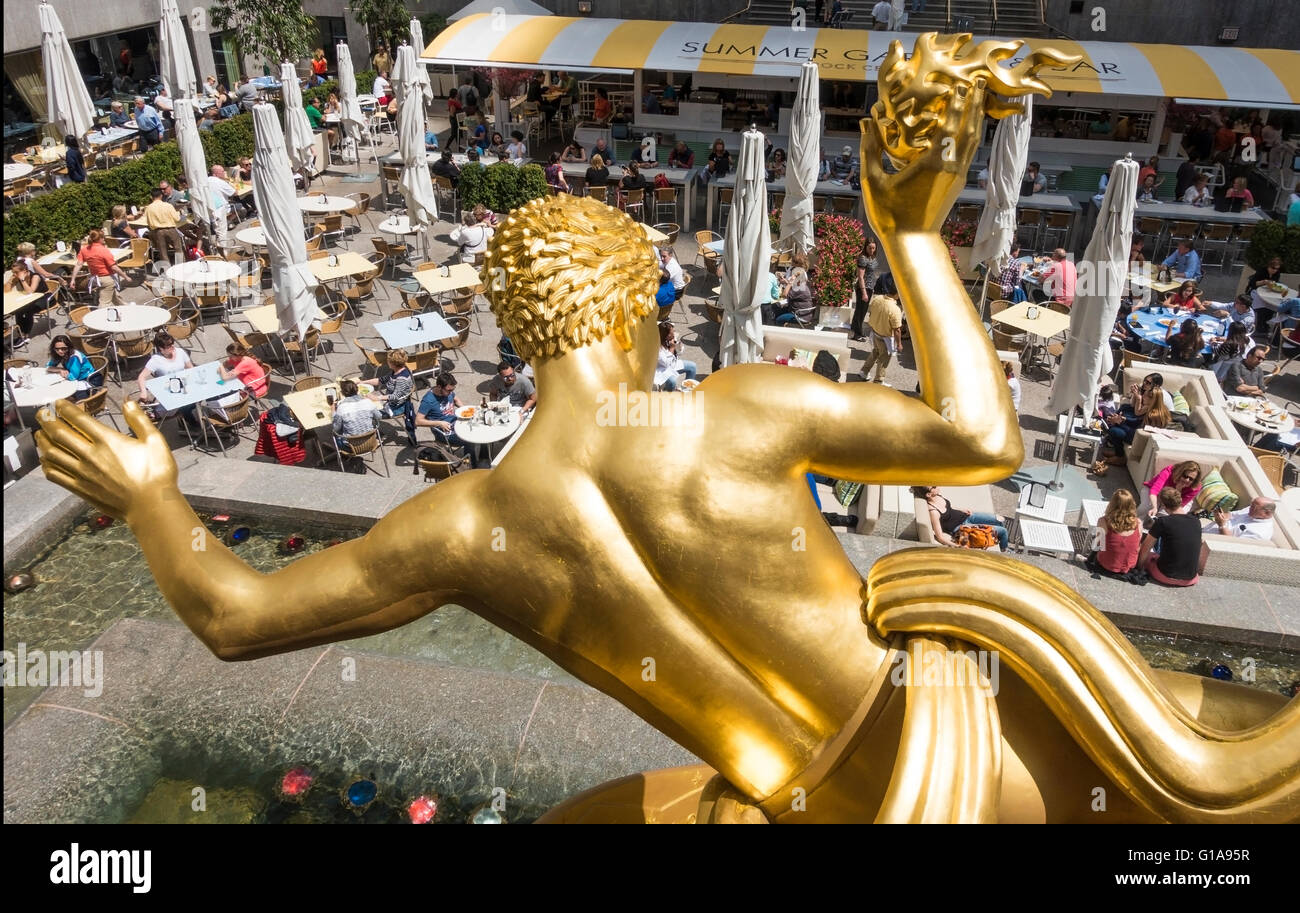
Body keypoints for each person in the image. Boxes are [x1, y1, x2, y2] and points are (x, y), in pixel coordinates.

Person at [1138, 488, 1208, 587]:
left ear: (1163, 505)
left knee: (1148, 554)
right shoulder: (1196, 521)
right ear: (1180, 501)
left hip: (1165, 576)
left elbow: (1146, 547)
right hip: (1191, 578)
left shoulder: (1162, 522)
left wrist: (1139, 567)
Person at [913, 486, 1009, 551]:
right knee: (1003, 531)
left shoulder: (937, 496)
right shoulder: (933, 512)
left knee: (1000, 519)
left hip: (968, 516)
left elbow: (949, 508)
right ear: (928, 495)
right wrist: (957, 546)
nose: (937, 485)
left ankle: (999, 541)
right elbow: (940, 536)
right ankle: (1004, 550)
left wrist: (962, 510)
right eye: (933, 487)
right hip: (963, 527)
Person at [136, 331, 198, 426]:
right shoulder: (156, 360)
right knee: (185, 404)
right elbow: (141, 377)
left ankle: (186, 417)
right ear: (161, 348)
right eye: (169, 346)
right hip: (168, 391)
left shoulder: (180, 352)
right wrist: (143, 392)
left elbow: (190, 368)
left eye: (172, 344)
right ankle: (191, 422)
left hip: (183, 386)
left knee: (199, 397)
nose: (173, 347)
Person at [1086, 490, 1142, 577]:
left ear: (1112, 504)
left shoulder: (1103, 521)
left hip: (1106, 566)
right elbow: (1137, 547)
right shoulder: (1138, 523)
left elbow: (1097, 545)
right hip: (1129, 568)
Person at [70, 229, 128, 306]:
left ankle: (125, 308)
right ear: (100, 239)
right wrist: (125, 276)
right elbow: (114, 267)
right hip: (107, 279)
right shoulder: (104, 251)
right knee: (104, 303)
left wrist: (73, 279)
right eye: (103, 237)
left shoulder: (84, 250)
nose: (104, 239)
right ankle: (100, 316)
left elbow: (78, 265)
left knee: (115, 297)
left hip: (95, 278)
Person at [858, 291, 903, 384]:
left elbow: (870, 312)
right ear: (897, 294)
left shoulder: (877, 299)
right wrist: (899, 344)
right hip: (885, 338)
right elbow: (897, 329)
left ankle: (864, 371)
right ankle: (878, 380)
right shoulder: (895, 309)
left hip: (874, 332)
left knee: (875, 352)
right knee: (884, 358)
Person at [332, 378, 382, 448]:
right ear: (357, 390)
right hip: (371, 442)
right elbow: (379, 417)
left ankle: (343, 455)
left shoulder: (341, 408)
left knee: (335, 434)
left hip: (351, 447)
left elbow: (336, 428)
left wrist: (333, 411)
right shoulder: (367, 402)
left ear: (342, 393)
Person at [45, 334, 99, 400]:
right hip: (78, 379)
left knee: (62, 392)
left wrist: (59, 371)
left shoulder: (74, 357)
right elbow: (48, 367)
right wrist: (60, 370)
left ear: (69, 347)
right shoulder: (60, 354)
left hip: (89, 380)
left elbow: (72, 377)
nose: (60, 351)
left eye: (63, 348)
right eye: (57, 349)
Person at [4, 260, 49, 337]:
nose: (14, 274)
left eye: (16, 272)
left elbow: (30, 292)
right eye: (13, 272)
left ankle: (26, 334)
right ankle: (21, 333)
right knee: (18, 309)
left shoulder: (35, 276)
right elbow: (6, 291)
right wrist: (11, 280)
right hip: (32, 299)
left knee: (28, 311)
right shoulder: (17, 276)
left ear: (24, 271)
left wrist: (22, 279)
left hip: (45, 297)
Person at [1203, 497, 1276, 541]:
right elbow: (1231, 515)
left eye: (1254, 507)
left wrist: (1222, 525)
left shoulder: (1259, 533)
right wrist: (1220, 515)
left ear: (1267, 513)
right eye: (1251, 504)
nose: (1250, 508)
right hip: (1204, 530)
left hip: (1210, 541)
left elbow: (1231, 544)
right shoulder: (1250, 510)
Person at [850, 237, 881, 341]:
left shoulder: (872, 257)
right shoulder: (863, 258)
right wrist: (864, 293)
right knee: (860, 310)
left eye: (874, 248)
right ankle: (857, 334)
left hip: (870, 287)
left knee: (862, 311)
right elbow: (860, 276)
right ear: (866, 247)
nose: (872, 250)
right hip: (863, 287)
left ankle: (858, 331)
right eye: (870, 248)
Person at [208, 164, 238, 250]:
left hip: (210, 209)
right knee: (222, 232)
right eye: (222, 172)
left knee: (217, 231)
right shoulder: (220, 182)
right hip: (219, 209)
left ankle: (218, 249)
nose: (224, 173)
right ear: (216, 174)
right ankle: (223, 252)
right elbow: (234, 193)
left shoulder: (206, 180)